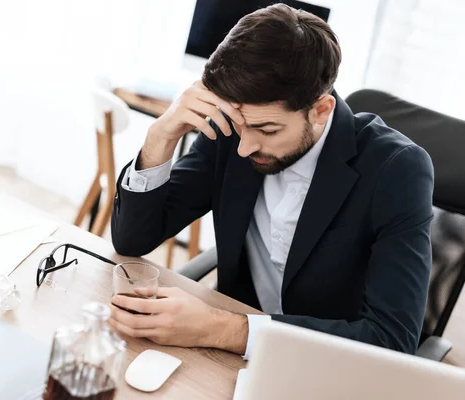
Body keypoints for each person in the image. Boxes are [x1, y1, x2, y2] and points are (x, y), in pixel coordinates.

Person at [109, 4, 434, 358]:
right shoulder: (231, 130)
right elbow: (133, 238)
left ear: (320, 109)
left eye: (268, 129)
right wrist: (161, 135)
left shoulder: (397, 170)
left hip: (328, 366)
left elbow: (391, 341)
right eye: (240, 128)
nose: (245, 147)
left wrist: (221, 327)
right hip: (232, 358)